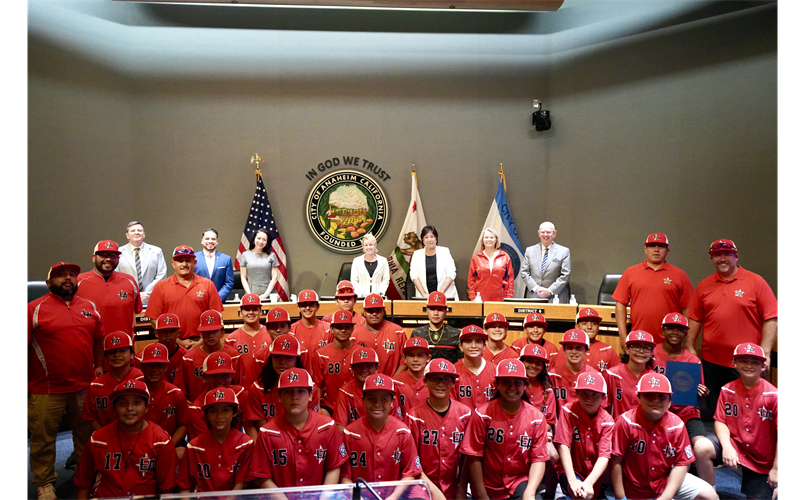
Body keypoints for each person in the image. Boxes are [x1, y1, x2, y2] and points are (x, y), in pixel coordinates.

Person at [27, 262, 104, 500]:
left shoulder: (90, 307)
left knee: (85, 435)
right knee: (43, 439)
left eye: (72, 274)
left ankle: (84, 474)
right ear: (49, 283)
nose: (68, 278)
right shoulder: (33, 309)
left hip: (83, 386)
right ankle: (45, 483)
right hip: (45, 388)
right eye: (61, 275)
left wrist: (99, 366)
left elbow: (98, 339)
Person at [685, 239, 778, 419]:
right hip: (712, 362)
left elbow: (771, 318)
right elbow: (695, 318)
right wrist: (689, 346)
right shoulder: (704, 285)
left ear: (736, 256)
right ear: (712, 259)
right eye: (717, 255)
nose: (722, 259)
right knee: (716, 413)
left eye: (727, 254)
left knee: (750, 413)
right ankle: (720, 445)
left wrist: (765, 352)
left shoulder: (755, 282)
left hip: (747, 363)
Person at [610, 373, 718, 500]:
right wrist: (621, 497)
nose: (655, 400)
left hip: (664, 479)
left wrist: (666, 497)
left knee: (710, 495)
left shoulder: (677, 424)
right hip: (634, 487)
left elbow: (682, 463)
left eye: (661, 396)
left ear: (669, 402)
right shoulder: (625, 422)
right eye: (649, 395)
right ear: (638, 398)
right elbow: (615, 461)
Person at [694, 343, 778, 500]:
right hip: (735, 445)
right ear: (734, 363)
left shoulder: (773, 395)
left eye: (754, 362)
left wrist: (776, 469)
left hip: (763, 458)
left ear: (763, 365)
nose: (749, 365)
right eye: (744, 361)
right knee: (701, 447)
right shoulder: (727, 389)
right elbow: (720, 421)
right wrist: (727, 447)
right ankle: (710, 495)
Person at [461, 359, 550, 500]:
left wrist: (530, 492)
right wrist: (481, 494)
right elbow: (473, 456)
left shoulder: (536, 418)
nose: (511, 387)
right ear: (496, 384)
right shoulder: (482, 413)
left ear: (525, 385)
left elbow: (538, 459)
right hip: (487, 483)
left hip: (519, 482)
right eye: (505, 382)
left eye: (517, 382)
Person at [73, 380, 176, 500]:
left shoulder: (161, 441)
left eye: (137, 402)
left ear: (147, 407)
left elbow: (167, 488)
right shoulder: (97, 439)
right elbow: (83, 483)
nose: (130, 408)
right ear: (114, 408)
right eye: (122, 403)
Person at [252, 367, 347, 488]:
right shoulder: (267, 432)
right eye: (288, 391)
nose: (294, 396)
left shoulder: (327, 426)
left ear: (310, 395)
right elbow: (264, 478)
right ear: (279, 397)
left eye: (301, 391)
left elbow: (334, 468)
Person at [613, 232, 694, 349]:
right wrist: (623, 336)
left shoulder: (679, 275)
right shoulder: (630, 272)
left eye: (661, 246)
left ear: (667, 251)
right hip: (639, 339)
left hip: (669, 343)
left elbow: (689, 308)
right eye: (652, 246)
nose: (656, 250)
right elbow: (620, 304)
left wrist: (685, 338)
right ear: (645, 249)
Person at [406, 358, 472, 500]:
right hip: (422, 485)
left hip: (455, 485)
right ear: (425, 381)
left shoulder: (465, 414)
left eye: (446, 379)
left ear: (454, 383)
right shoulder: (414, 415)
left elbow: (467, 458)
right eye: (435, 379)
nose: (440, 384)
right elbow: (412, 462)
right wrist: (434, 493)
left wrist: (461, 489)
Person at [340, 374, 423, 486]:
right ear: (363, 400)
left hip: (394, 496)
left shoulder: (403, 432)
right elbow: (345, 477)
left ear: (393, 402)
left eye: (384, 399)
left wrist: (393, 498)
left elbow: (409, 474)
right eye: (371, 398)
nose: (377, 404)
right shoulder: (350, 432)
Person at [144, 245, 224, 348]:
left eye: (188, 260)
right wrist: (178, 342)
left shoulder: (208, 284)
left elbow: (216, 317)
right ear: (173, 264)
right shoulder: (161, 286)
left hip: (203, 343)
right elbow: (155, 321)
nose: (184, 264)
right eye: (180, 261)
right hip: (172, 344)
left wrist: (200, 342)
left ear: (194, 263)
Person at [177, 387, 254, 492]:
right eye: (213, 411)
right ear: (206, 415)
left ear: (234, 412)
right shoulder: (194, 446)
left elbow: (240, 486)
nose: (219, 416)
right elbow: (184, 487)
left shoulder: (245, 443)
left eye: (225, 410)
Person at [244, 334, 320, 440]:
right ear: (271, 359)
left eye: (288, 357)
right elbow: (261, 427)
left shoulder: (310, 388)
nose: (282, 362)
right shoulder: (257, 388)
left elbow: (310, 424)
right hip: (270, 440)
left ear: (296, 360)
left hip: (302, 440)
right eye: (277, 357)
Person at [652, 313, 709, 449]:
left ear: (685, 334)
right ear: (663, 330)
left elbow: (697, 398)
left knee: (702, 445)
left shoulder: (693, 360)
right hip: (658, 410)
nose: (675, 333)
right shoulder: (651, 354)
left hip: (687, 413)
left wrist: (702, 394)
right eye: (671, 328)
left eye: (680, 329)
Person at [553, 371, 614, 500]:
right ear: (576, 394)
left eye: (594, 394)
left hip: (594, 476)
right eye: (584, 393)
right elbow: (563, 446)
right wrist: (572, 481)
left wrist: (589, 483)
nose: (589, 398)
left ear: (603, 397)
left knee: (584, 494)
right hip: (571, 470)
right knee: (578, 494)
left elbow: (604, 456)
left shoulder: (607, 421)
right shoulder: (568, 411)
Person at [76, 240, 142, 342]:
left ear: (118, 259)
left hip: (123, 348)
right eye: (103, 255)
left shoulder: (130, 281)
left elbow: (137, 311)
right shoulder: (78, 282)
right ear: (94, 258)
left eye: (113, 256)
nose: (108, 259)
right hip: (90, 346)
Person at [137, 342, 189, 461]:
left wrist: (168, 444)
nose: (154, 369)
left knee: (182, 454)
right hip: (138, 443)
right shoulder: (134, 392)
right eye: (150, 365)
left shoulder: (176, 393)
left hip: (170, 441)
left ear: (166, 367)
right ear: (142, 367)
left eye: (159, 365)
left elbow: (183, 425)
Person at [82, 332, 144, 431]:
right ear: (105, 357)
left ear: (132, 354)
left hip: (140, 436)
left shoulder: (143, 379)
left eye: (122, 351)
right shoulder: (96, 386)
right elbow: (92, 419)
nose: (117, 355)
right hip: (107, 438)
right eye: (112, 352)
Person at [333, 347, 405, 432]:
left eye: (369, 365)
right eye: (359, 366)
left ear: (377, 368)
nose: (364, 370)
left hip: (385, 438)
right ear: (352, 369)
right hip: (354, 439)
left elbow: (396, 425)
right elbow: (340, 427)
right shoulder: (345, 391)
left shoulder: (387, 388)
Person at [185, 351, 251, 443]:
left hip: (239, 447)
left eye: (225, 375)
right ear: (204, 378)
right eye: (214, 375)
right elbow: (204, 445)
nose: (220, 380)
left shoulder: (240, 394)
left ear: (231, 377)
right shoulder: (196, 409)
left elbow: (249, 427)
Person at [177, 309, 241, 402]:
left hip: (226, 409)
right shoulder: (188, 358)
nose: (211, 335)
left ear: (222, 333)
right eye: (207, 331)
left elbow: (239, 386)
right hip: (198, 409)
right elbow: (182, 392)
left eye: (214, 331)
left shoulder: (233, 355)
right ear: (201, 334)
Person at [312, 310, 359, 417]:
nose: (343, 330)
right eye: (338, 327)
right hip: (330, 404)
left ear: (352, 329)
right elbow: (318, 385)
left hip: (355, 403)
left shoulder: (360, 353)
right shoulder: (321, 354)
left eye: (347, 327)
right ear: (331, 329)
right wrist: (317, 408)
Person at [603, 330, 656, 420]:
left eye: (647, 348)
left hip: (643, 431)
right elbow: (603, 407)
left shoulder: (655, 379)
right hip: (616, 430)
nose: (641, 351)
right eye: (636, 347)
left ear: (651, 353)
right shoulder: (611, 374)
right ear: (627, 349)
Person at [352, 293, 408, 376]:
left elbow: (405, 359)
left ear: (383, 311)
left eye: (378, 310)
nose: (374, 313)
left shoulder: (398, 331)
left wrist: (393, 380)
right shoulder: (354, 334)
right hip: (364, 383)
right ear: (364, 313)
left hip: (392, 383)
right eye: (370, 310)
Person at [225, 293, 272, 387]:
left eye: (254, 309)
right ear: (240, 313)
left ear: (261, 312)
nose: (251, 312)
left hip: (267, 388)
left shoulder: (271, 335)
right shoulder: (231, 339)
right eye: (247, 309)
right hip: (241, 389)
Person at [116, 220, 167, 305]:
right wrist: (136, 294)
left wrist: (145, 294)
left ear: (144, 234)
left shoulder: (156, 251)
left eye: (139, 231)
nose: (136, 233)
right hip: (127, 299)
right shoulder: (118, 252)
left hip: (151, 297)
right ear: (127, 235)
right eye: (133, 231)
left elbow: (162, 274)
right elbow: (116, 276)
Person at [521, 221, 572, 302]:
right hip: (534, 295)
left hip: (556, 297)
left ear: (554, 233)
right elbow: (524, 273)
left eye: (548, 232)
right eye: (543, 232)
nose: (545, 235)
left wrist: (549, 291)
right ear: (539, 233)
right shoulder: (529, 250)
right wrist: (536, 288)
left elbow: (565, 275)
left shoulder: (564, 251)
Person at [549, 330, 598, 409]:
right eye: (569, 347)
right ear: (564, 350)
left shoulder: (595, 376)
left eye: (579, 348)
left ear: (587, 350)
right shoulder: (552, 374)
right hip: (559, 420)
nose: (574, 352)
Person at [411, 291, 464, 364]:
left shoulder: (456, 334)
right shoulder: (417, 333)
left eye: (440, 309)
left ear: (446, 311)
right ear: (427, 311)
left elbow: (461, 362)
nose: (436, 313)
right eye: (432, 309)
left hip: (448, 374)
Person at [452, 325, 496, 410]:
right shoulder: (453, 371)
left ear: (484, 346)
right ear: (460, 347)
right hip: (462, 422)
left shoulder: (495, 370)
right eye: (468, 341)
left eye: (478, 341)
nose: (473, 346)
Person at [135, 313, 186, 386]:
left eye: (172, 330)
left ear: (178, 334)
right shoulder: (142, 356)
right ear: (156, 333)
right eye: (163, 331)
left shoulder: (186, 357)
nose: (168, 334)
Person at [410, 225, 459, 300]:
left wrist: (440, 293)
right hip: (424, 297)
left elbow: (451, 273)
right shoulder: (416, 254)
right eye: (426, 237)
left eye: (432, 236)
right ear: (422, 240)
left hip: (446, 295)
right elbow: (414, 275)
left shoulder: (445, 251)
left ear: (436, 239)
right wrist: (424, 294)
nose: (429, 240)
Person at [467, 227, 515, 301]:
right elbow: (471, 279)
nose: (489, 239)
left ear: (496, 239)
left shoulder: (505, 256)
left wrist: (508, 298)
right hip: (480, 298)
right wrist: (473, 297)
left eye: (491, 237)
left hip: (500, 298)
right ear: (483, 240)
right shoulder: (476, 257)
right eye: (486, 237)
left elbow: (510, 279)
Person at [291, 289, 333, 363]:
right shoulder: (291, 331)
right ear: (298, 307)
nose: (307, 308)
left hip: (323, 373)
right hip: (300, 373)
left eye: (311, 304)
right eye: (304, 305)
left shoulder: (328, 330)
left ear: (318, 306)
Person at [193, 228, 235, 302]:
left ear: (217, 241)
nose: (210, 241)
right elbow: (189, 280)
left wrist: (217, 298)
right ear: (202, 241)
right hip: (198, 301)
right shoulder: (193, 258)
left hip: (219, 302)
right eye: (207, 238)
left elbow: (229, 283)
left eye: (213, 239)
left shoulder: (226, 259)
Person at [239, 227, 280, 300]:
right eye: (258, 238)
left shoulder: (272, 255)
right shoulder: (245, 255)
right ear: (254, 239)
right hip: (250, 295)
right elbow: (243, 277)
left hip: (269, 295)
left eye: (264, 240)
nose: (261, 242)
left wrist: (266, 294)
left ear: (267, 242)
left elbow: (274, 278)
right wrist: (249, 294)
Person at [394, 337, 432, 412]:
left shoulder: (434, 381)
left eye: (420, 355)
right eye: (411, 355)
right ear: (404, 358)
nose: (415, 359)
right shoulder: (395, 382)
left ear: (428, 358)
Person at [350, 232, 391, 297]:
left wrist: (379, 292)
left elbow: (386, 279)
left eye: (371, 244)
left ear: (375, 245)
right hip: (362, 297)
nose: (368, 247)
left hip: (379, 297)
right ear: (363, 246)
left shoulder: (383, 261)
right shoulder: (356, 261)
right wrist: (361, 293)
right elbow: (354, 280)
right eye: (366, 245)